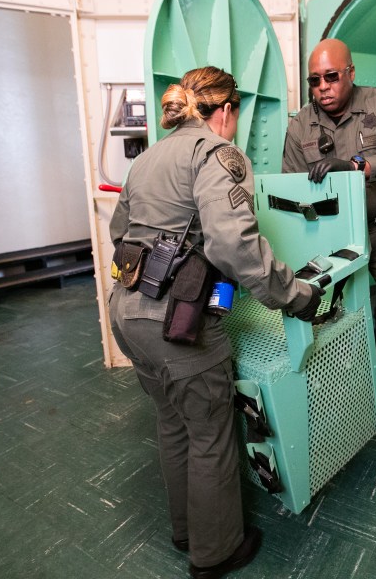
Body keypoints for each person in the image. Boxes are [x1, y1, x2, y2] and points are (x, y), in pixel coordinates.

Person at [108, 66, 322, 579]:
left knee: (173, 423)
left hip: (128, 315)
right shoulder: (216, 153)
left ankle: (186, 531)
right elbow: (233, 245)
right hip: (176, 326)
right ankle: (216, 552)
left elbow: (120, 232)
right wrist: (294, 296)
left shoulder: (147, 159)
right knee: (209, 433)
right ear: (226, 111)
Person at [282, 38, 376, 380]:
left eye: (331, 77)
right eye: (314, 81)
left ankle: (371, 366)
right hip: (329, 229)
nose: (323, 88)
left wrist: (359, 165)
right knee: (315, 306)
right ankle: (335, 370)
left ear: (350, 72)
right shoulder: (301, 124)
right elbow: (291, 185)